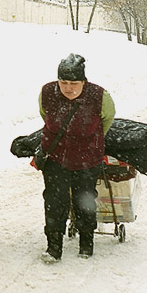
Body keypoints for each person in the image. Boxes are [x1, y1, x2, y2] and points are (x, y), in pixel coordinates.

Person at [38, 53, 115, 260]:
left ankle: (86, 243)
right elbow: (45, 116)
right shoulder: (47, 92)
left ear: (83, 81)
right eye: (63, 82)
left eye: (74, 83)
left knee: (85, 201)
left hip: (86, 160)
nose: (68, 88)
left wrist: (90, 140)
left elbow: (107, 120)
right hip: (55, 159)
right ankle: (54, 247)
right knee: (54, 202)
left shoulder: (100, 96)